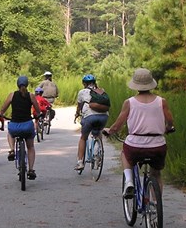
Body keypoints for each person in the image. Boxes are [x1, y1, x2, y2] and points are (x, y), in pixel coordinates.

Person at [103, 68, 174, 198]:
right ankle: (156, 204)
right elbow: (170, 121)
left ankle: (129, 181)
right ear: (151, 83)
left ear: (135, 85)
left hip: (135, 146)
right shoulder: (161, 101)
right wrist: (168, 128)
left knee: (125, 153)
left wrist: (110, 131)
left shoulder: (129, 102)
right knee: (156, 173)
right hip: (157, 146)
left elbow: (118, 124)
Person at [0, 75, 42, 180]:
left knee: (10, 132)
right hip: (27, 126)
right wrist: (39, 115)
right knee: (30, 147)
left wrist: (1, 114)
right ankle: (31, 170)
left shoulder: (12, 95)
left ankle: (12, 150)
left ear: (17, 85)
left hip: (15, 125)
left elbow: (3, 109)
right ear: (27, 85)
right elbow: (38, 110)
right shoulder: (31, 96)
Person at [73, 74, 109, 171]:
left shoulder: (82, 92)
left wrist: (77, 114)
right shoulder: (101, 91)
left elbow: (79, 106)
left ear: (84, 83)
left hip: (89, 117)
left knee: (83, 138)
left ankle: (80, 162)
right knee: (97, 133)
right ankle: (97, 154)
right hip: (104, 116)